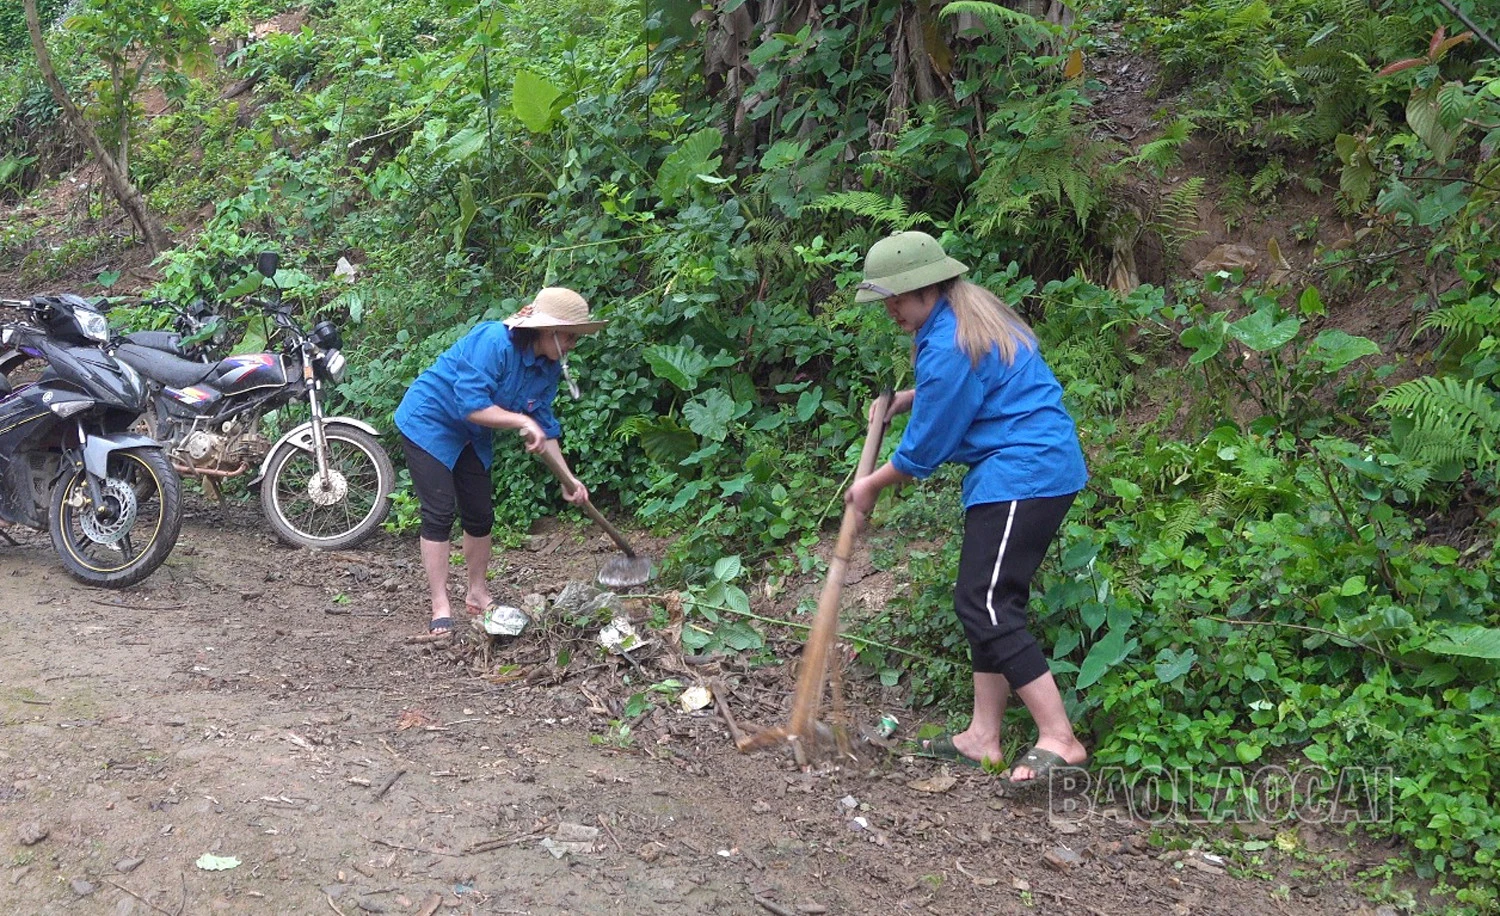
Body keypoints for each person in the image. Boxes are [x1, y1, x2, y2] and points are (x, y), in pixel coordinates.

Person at [844, 230, 1089, 786]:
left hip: (1026, 471)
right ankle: (983, 737)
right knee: (984, 599)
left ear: (927, 289)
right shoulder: (964, 317)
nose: (891, 311)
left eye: (897, 299)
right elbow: (971, 393)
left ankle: (1060, 739)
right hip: (1018, 471)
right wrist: (907, 399)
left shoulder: (951, 340)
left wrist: (873, 485)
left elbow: (926, 447)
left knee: (985, 601)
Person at [394, 287, 608, 635]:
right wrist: (523, 422)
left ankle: (477, 593)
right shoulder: (493, 341)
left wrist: (570, 481)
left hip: (473, 435)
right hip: (429, 422)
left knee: (480, 513)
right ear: (547, 330)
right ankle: (440, 604)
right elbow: (472, 405)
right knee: (439, 511)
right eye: (570, 336)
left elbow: (545, 428)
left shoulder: (548, 368)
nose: (572, 345)